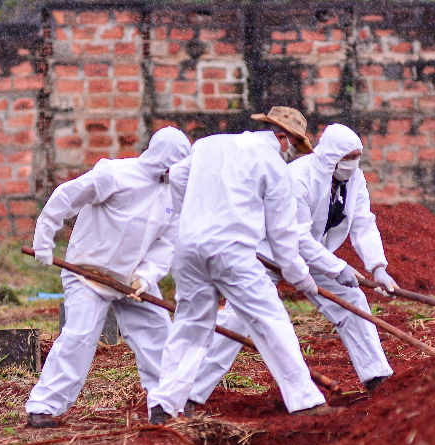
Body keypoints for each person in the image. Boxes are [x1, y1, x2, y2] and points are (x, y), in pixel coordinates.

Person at [183, 123, 396, 416]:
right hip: (270, 254)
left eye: (357, 157)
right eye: (348, 157)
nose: (353, 164)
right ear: (331, 155)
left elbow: (363, 222)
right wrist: (337, 267)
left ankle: (376, 376)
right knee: (238, 321)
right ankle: (189, 394)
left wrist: (378, 267)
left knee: (353, 301)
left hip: (315, 257)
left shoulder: (355, 180)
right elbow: (297, 236)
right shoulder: (298, 177)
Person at [146, 107, 339, 424]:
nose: (289, 153)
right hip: (232, 251)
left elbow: (179, 176)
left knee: (190, 326)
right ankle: (305, 400)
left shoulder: (209, 144)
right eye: (290, 146)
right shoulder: (272, 164)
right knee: (270, 320)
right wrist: (301, 278)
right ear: (281, 137)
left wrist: (195, 212)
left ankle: (165, 403)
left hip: (188, 248)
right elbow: (282, 235)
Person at [25, 127, 191, 428]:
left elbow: (166, 244)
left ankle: (165, 404)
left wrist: (145, 277)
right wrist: (44, 241)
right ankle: (43, 407)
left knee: (158, 335)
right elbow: (67, 197)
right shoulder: (114, 174)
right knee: (79, 336)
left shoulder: (174, 197)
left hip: (132, 281)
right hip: (87, 273)